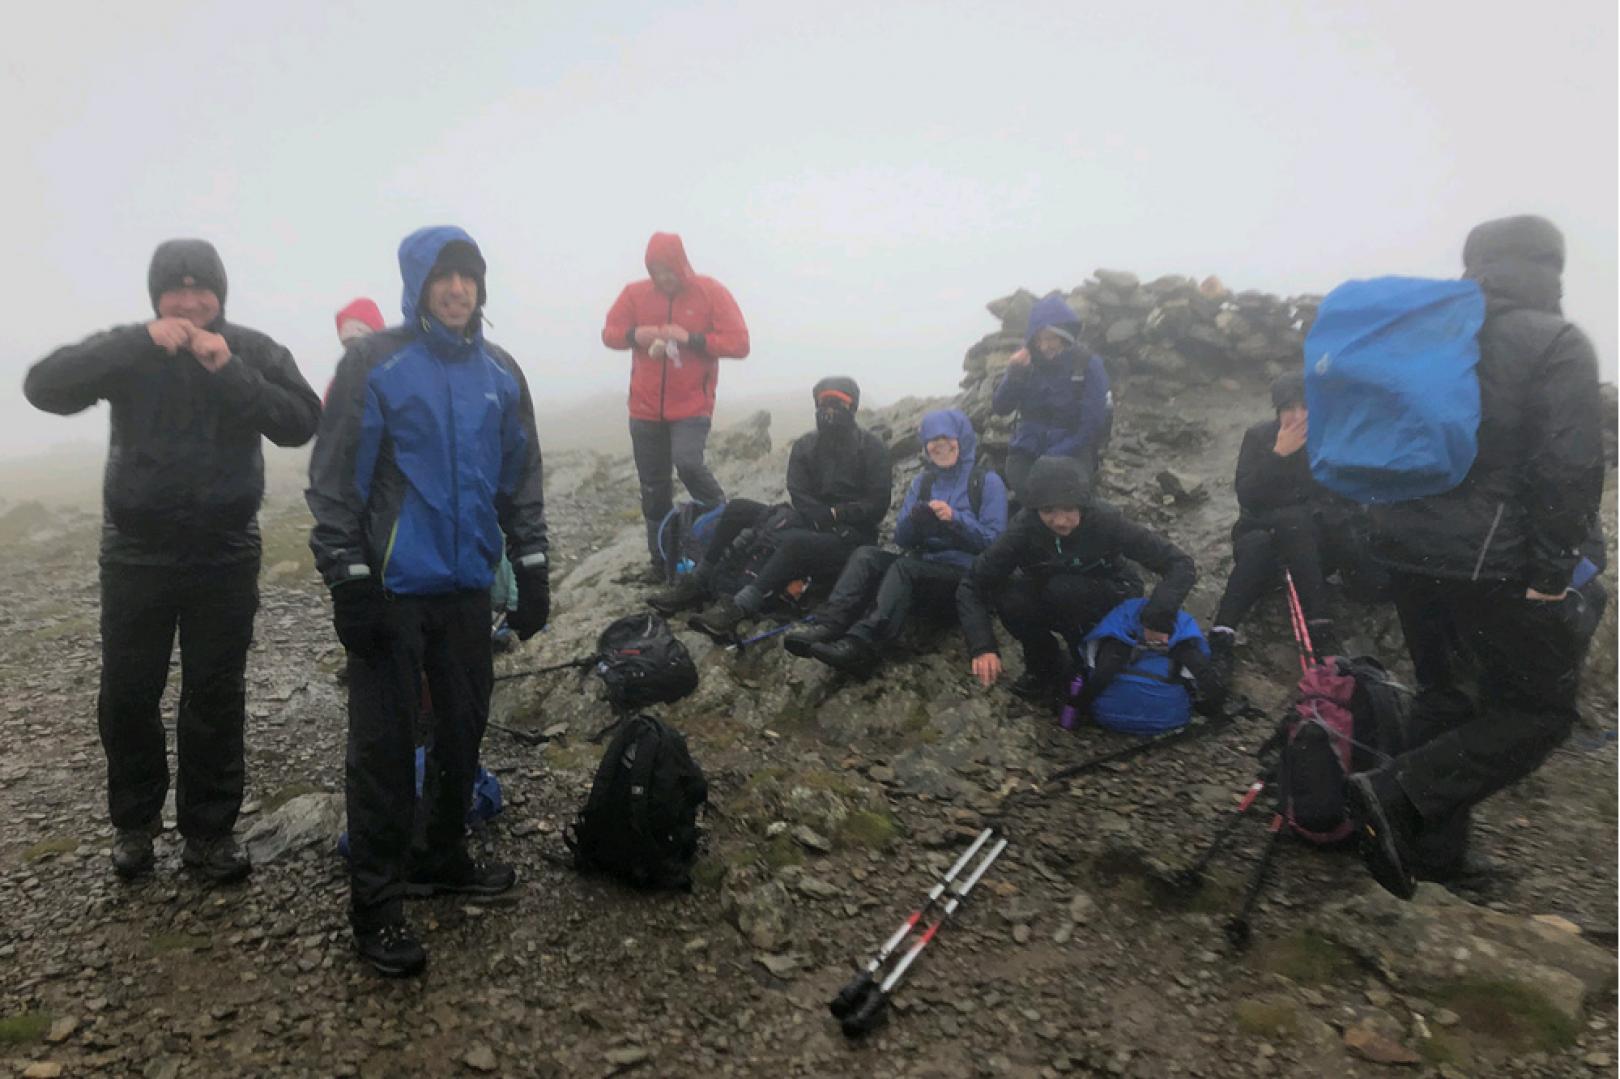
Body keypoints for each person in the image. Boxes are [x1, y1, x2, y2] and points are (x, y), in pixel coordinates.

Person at [22, 239, 321, 884]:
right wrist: (139, 342)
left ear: (221, 293)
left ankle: (209, 836)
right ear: (157, 296)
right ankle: (134, 826)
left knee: (214, 696)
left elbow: (301, 421)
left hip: (225, 552)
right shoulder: (135, 348)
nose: (189, 302)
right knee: (128, 694)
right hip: (137, 554)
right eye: (175, 291)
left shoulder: (252, 349)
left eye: (201, 289)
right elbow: (42, 387)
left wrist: (230, 369)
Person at [307, 226, 549, 976]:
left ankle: (441, 854)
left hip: (467, 588)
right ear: (419, 285)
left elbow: (520, 476)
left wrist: (533, 567)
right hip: (391, 593)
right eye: (444, 277)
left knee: (462, 729)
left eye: (468, 277)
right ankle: (376, 904)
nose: (457, 289)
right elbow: (335, 478)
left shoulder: (500, 372)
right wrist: (347, 577)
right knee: (381, 750)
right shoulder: (374, 362)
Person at [1347, 215, 1605, 900]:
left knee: (1447, 693)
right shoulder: (1556, 342)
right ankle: (1394, 792)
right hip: (1491, 562)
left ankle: (1429, 855)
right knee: (1537, 713)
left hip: (1404, 546)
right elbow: (1569, 466)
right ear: (1550, 267)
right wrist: (1554, 572)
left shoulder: (1434, 334)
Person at [650, 377, 891, 638]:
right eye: (824, 402)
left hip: (850, 536)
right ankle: (698, 580)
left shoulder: (872, 448)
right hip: (806, 518)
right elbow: (798, 490)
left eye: (838, 403)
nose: (829, 409)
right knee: (738, 509)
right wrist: (814, 516)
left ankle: (739, 607)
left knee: (796, 543)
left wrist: (837, 514)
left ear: (852, 407)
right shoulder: (805, 445)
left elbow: (877, 504)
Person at [958, 456, 1196, 706]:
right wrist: (983, 647)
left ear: (1083, 504)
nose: (1060, 521)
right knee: (1010, 596)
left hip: (1113, 590)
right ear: (1034, 508)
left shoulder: (1106, 520)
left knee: (1063, 590)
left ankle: (1087, 660)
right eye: (1048, 510)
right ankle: (1044, 664)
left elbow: (1180, 564)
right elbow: (972, 584)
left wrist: (1157, 616)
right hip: (1053, 589)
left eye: (1069, 509)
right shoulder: (1024, 529)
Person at [787, 408, 1008, 677]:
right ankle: (828, 625)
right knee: (866, 555)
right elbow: (902, 539)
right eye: (932, 441)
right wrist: (915, 522)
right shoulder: (923, 482)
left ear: (961, 438)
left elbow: (995, 544)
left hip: (964, 578)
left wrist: (955, 519)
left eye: (946, 438)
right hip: (925, 567)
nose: (940, 446)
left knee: (904, 569)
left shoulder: (986, 481)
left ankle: (862, 645)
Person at [1206, 372, 1376, 681]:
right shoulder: (1260, 437)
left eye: (1303, 407)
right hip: (1265, 538)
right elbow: (1248, 496)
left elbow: (1343, 496)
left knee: (1295, 522)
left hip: (1313, 548)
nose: (1296, 416)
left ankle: (1319, 626)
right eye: (1288, 408)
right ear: (1277, 410)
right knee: (1264, 541)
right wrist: (1278, 455)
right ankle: (1222, 636)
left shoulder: (1328, 439)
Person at [602, 233, 750, 582]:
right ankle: (661, 563)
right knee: (654, 489)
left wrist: (692, 339)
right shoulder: (635, 293)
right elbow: (609, 332)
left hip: (692, 406)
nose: (664, 277)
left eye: (669, 269)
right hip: (644, 408)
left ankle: (724, 531)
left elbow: (740, 342)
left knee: (688, 463)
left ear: (682, 264)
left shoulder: (709, 292)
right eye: (656, 270)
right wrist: (635, 335)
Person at [991, 293, 1111, 502]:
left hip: (1072, 449)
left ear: (1065, 335)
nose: (1045, 346)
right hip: (1026, 450)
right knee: (1032, 499)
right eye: (1039, 339)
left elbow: (1092, 423)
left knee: (1064, 500)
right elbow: (1001, 407)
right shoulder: (1026, 365)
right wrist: (1014, 373)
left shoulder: (1087, 365)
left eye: (1051, 338)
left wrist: (1055, 455)